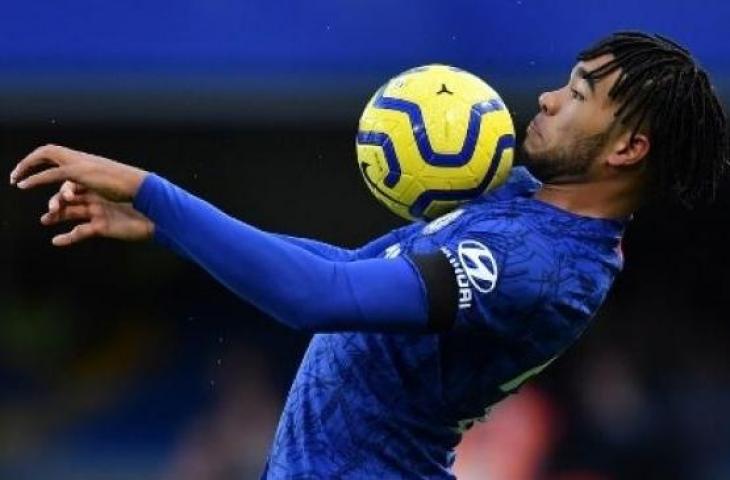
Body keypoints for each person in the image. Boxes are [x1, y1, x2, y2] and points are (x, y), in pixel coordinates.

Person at [9, 31, 728, 479]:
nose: (544, 99)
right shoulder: (522, 202)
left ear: (628, 147)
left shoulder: (538, 267)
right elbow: (351, 274)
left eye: (576, 94)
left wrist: (154, 191)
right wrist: (166, 228)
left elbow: (318, 297)